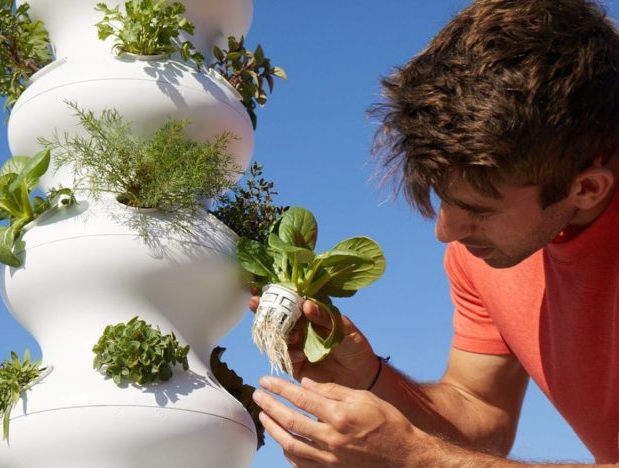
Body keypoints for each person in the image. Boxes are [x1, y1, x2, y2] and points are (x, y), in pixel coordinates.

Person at [250, 0, 619, 466]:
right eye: (443, 197)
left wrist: (420, 460)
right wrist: (369, 378)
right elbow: (481, 413)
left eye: (478, 210)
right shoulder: (489, 252)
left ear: (586, 187)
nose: (446, 232)